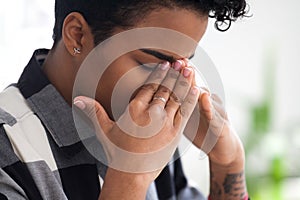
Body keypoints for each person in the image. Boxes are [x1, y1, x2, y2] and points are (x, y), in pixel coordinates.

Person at [0, 0, 250, 199]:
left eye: (182, 65)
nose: (172, 87)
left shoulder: (153, 126)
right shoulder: (6, 150)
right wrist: (129, 179)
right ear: (77, 36)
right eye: (152, 64)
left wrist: (228, 163)